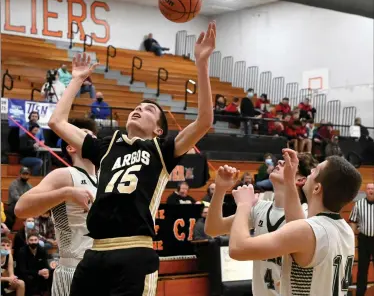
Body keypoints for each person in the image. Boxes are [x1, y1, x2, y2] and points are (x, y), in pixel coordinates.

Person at [48, 21, 216, 296]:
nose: (139, 109)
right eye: (137, 107)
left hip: (135, 251)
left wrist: (202, 63)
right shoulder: (107, 144)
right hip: (95, 252)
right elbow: (57, 122)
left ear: (159, 130)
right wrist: (77, 79)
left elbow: (204, 121)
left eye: (148, 109)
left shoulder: (161, 150)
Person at [229, 153, 362, 296]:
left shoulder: (307, 231)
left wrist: (243, 205)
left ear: (317, 188)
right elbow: (297, 223)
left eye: (315, 171)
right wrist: (289, 180)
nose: (310, 171)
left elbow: (238, 248)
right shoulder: (345, 229)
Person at [206, 152, 317, 296]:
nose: (280, 163)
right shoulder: (260, 208)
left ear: (301, 179)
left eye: (287, 164)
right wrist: (220, 190)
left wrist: (243, 206)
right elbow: (213, 229)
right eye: (281, 161)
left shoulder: (306, 215)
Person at [15, 118, 98, 296]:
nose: (92, 140)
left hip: (103, 268)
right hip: (74, 269)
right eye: (85, 136)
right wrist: (66, 193)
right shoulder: (65, 175)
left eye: (94, 137)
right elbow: (21, 208)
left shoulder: (104, 180)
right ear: (71, 146)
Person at [349, 183, 374, 296]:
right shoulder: (359, 204)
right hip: (364, 240)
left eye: (372, 189)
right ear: (365, 191)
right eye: (368, 188)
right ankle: (360, 293)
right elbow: (353, 221)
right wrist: (351, 240)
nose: (370, 190)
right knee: (362, 268)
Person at [17, 232, 51, 296]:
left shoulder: (42, 250)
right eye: (31, 240)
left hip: (39, 273)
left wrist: (47, 271)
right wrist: (38, 272)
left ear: (38, 241)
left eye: (35, 240)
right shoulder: (22, 252)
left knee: (50, 276)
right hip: (27, 274)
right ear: (27, 241)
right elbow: (22, 270)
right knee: (29, 278)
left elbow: (46, 265)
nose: (33, 242)